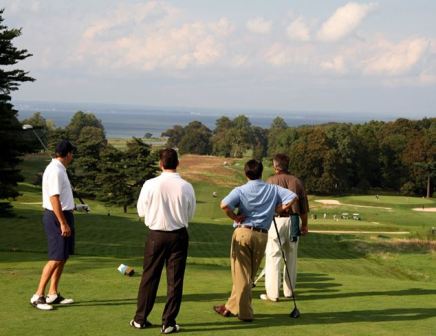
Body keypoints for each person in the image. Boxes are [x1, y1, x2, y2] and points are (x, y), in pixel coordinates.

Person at [213, 159, 298, 322]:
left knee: (242, 275)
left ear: (246, 173)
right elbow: (293, 196)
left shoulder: (241, 190)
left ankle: (245, 313)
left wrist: (235, 217)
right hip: (262, 236)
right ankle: (230, 307)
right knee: (246, 275)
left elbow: (224, 205)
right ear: (261, 173)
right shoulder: (272, 189)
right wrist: (278, 209)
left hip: (243, 232)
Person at [130, 148, 196, 334]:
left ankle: (140, 319)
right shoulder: (186, 186)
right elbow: (190, 214)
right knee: (174, 281)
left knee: (149, 277)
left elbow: (141, 211)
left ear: (161, 164)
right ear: (177, 163)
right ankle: (168, 322)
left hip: (156, 235)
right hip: (179, 236)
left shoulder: (150, 184)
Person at [30, 140, 77, 310]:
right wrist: (63, 223)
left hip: (64, 214)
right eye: (72, 153)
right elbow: (54, 198)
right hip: (57, 218)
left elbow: (62, 199)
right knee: (56, 257)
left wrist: (75, 207)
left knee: (62, 257)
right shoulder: (56, 171)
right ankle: (38, 295)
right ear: (68, 154)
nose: (73, 155)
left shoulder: (59, 169)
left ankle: (53, 294)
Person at [260, 153, 309, 302]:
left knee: (273, 255)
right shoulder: (297, 181)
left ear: (275, 166)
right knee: (291, 256)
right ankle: (289, 291)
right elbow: (303, 209)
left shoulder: (270, 181)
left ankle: (273, 294)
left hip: (277, 221)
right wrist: (305, 225)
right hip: (294, 220)